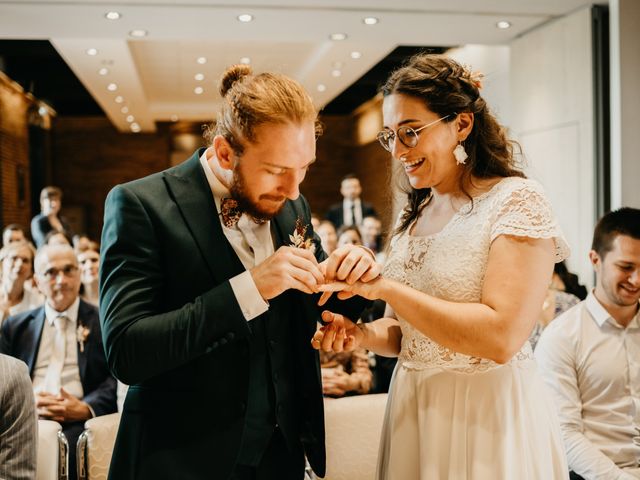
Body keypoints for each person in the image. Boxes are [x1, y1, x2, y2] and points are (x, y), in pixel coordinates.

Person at [99, 64, 379, 480]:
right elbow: (126, 351)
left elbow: (310, 312)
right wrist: (250, 287)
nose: (295, 190)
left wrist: (354, 278)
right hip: (179, 462)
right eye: (277, 170)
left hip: (278, 459)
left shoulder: (292, 206)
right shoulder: (141, 206)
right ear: (226, 152)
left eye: (304, 168)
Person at [312, 54, 570, 479]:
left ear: (462, 124)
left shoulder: (516, 201)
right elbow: (404, 335)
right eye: (390, 136)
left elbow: (501, 337)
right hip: (415, 407)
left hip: (485, 413)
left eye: (411, 133)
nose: (398, 152)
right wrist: (361, 335)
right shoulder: (414, 214)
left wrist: (385, 289)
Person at [535, 207, 640, 480]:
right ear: (595, 259)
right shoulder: (561, 337)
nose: (636, 279)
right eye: (626, 267)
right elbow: (565, 435)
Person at [0, 244, 117, 480]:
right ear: (36, 281)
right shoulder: (16, 326)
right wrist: (24, 399)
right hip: (23, 415)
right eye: (51, 272)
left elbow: (117, 375)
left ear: (79, 275)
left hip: (77, 418)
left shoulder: (103, 321)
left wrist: (86, 407)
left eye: (69, 270)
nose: (61, 280)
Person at [0, 241, 43, 326]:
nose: (19, 264)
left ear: (31, 270)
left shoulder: (38, 302)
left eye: (25, 261)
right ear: (2, 263)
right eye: (14, 258)